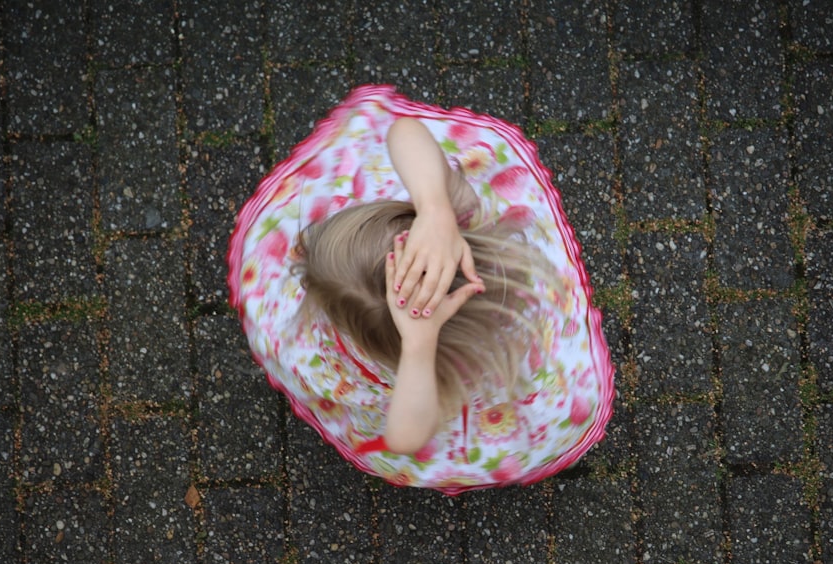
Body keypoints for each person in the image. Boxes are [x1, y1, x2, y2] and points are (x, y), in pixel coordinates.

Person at [228, 85, 614, 494]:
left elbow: (406, 439)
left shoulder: (423, 363)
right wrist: (435, 206)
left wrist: (418, 348)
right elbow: (404, 132)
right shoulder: (461, 218)